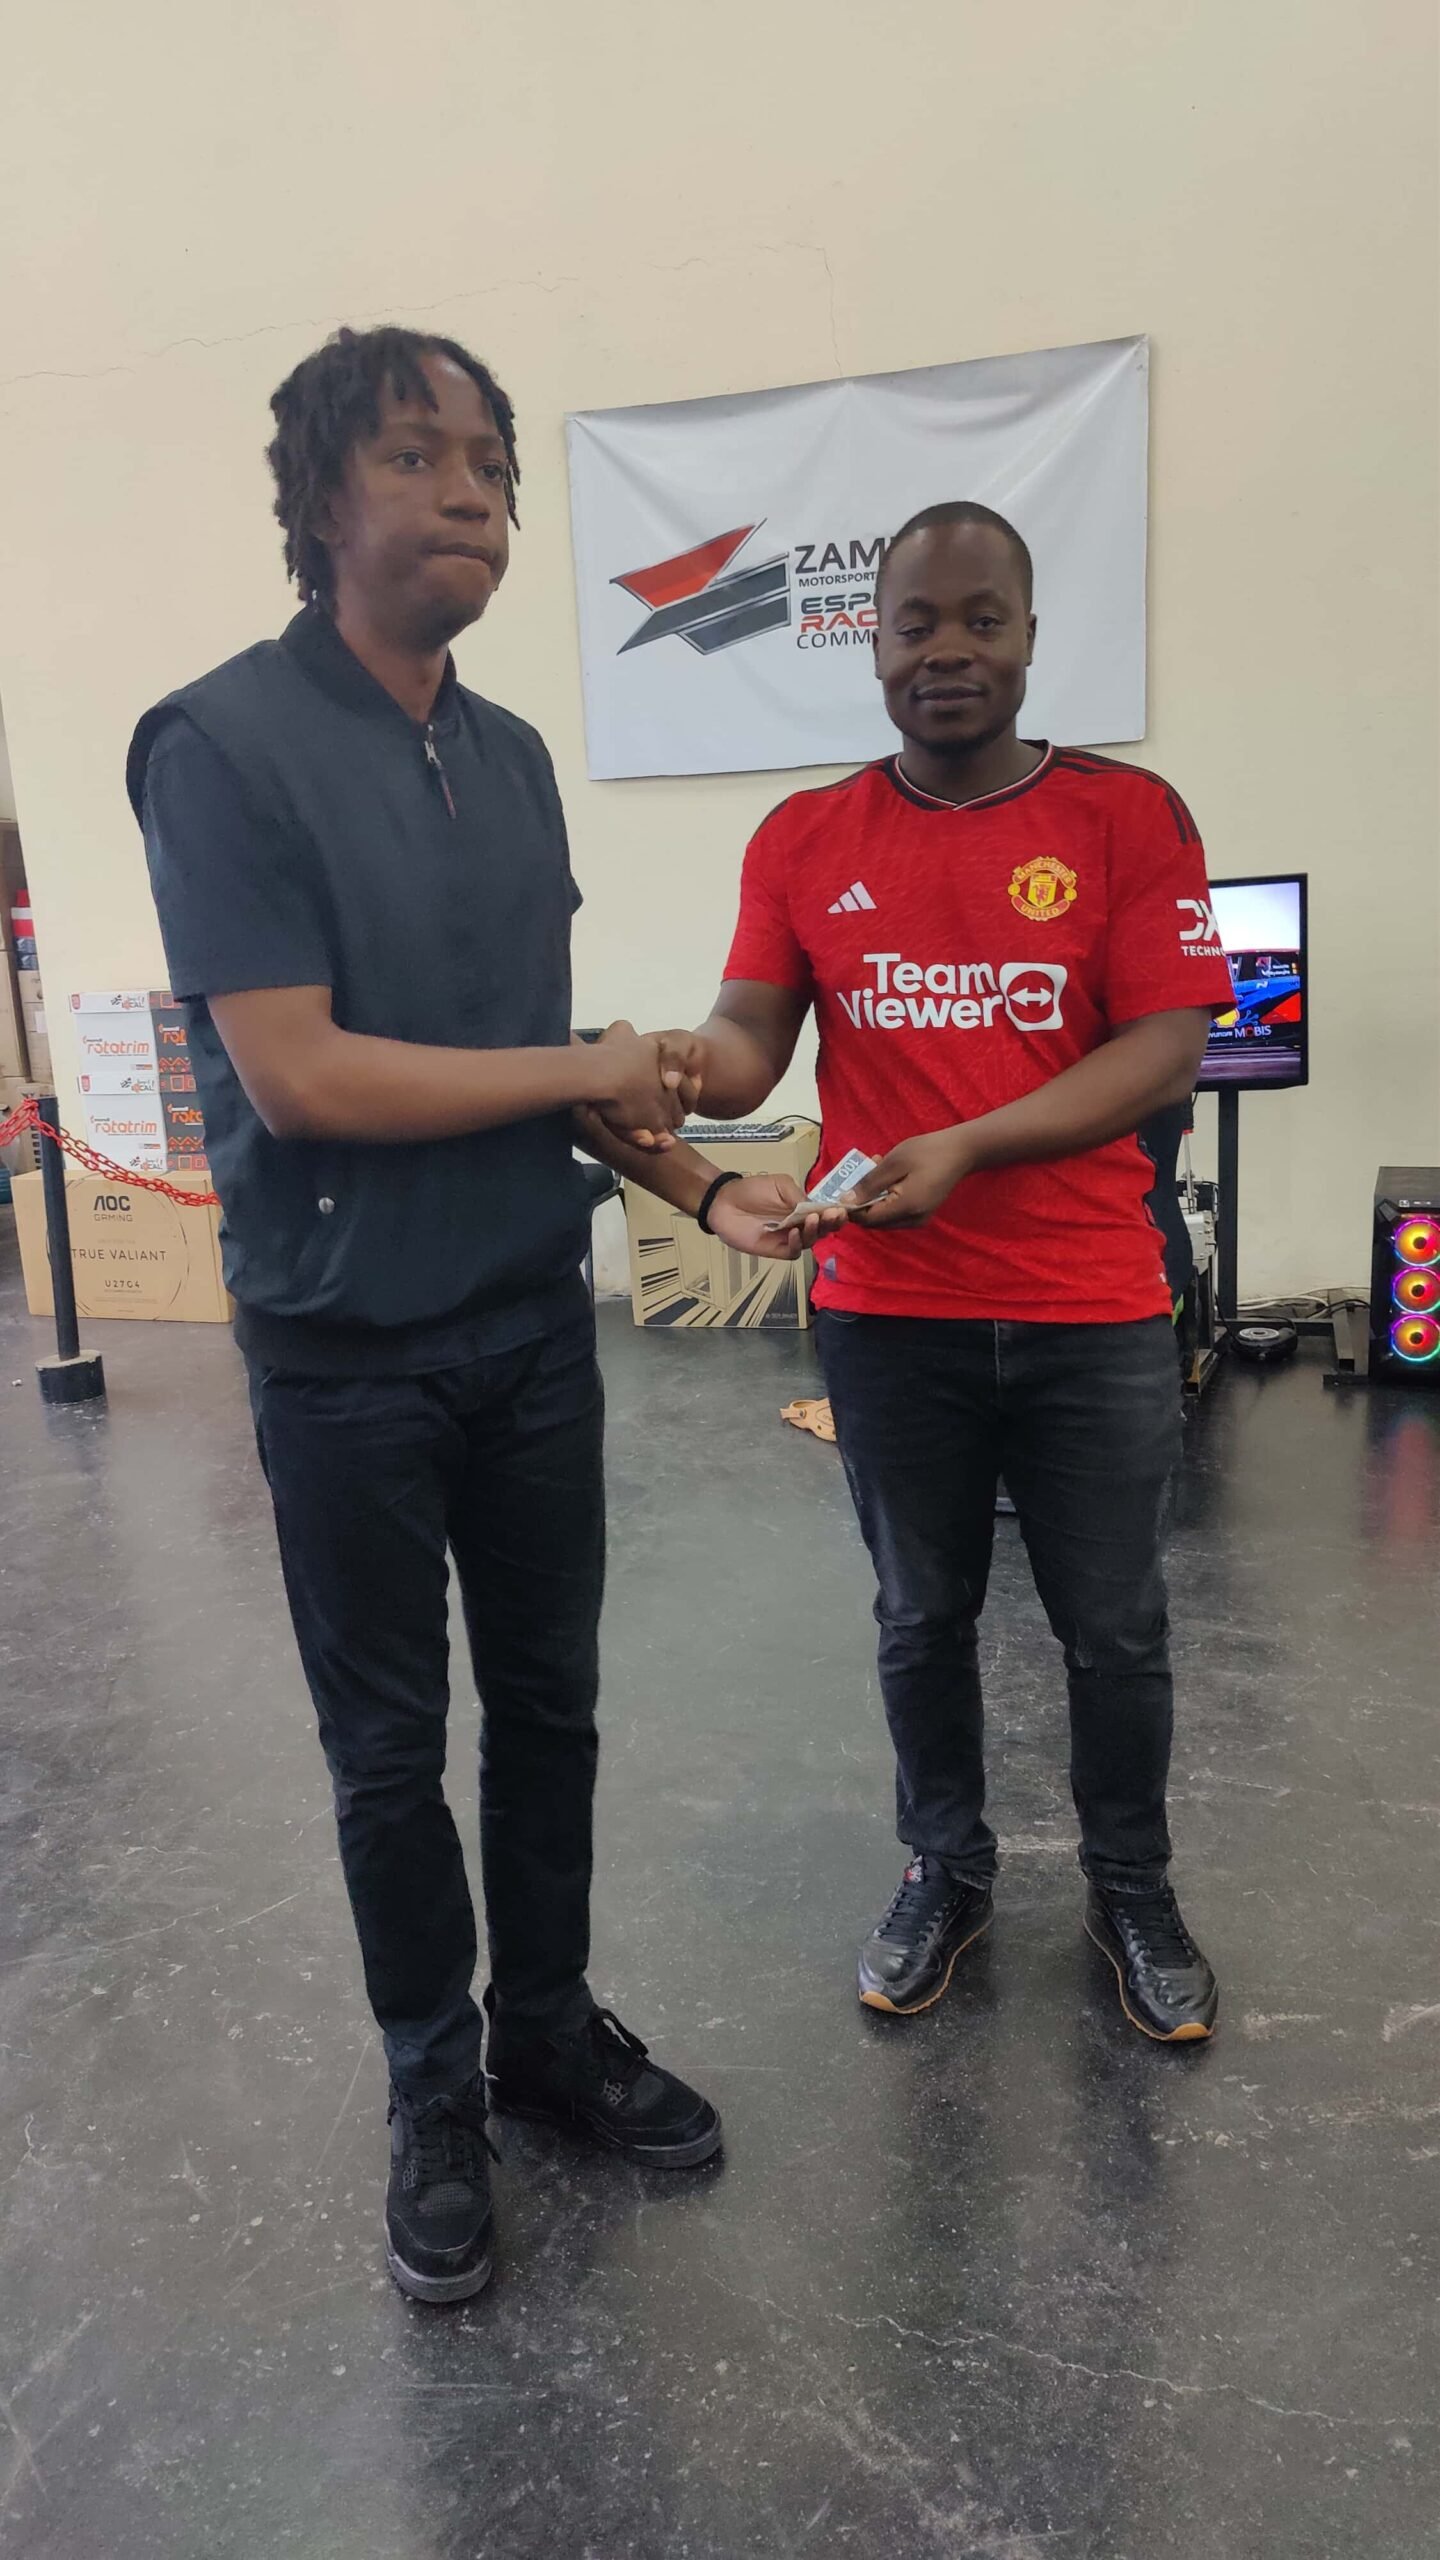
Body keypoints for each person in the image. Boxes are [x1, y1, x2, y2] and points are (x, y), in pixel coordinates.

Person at [127, 325, 836, 2304]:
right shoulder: (215, 746)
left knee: (550, 1711)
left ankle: (542, 2033)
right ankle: (432, 2084)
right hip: (344, 1356)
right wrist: (591, 1064)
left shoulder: (512, 758)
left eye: (495, 469)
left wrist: (703, 1188)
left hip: (527, 1329)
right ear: (317, 497)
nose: (469, 495)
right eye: (417, 456)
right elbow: (302, 1077)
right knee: (386, 1752)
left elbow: (547, 1065)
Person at [638, 501, 1235, 2044]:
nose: (947, 650)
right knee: (920, 1617)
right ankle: (945, 1868)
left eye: (981, 619)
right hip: (889, 1315)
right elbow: (751, 1035)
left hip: (1091, 1304)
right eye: (916, 624)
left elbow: (1167, 1047)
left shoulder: (1128, 818)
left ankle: (1132, 1886)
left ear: (1031, 635)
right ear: (875, 642)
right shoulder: (804, 838)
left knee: (1115, 1627)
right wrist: (683, 1065)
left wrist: (971, 1141)